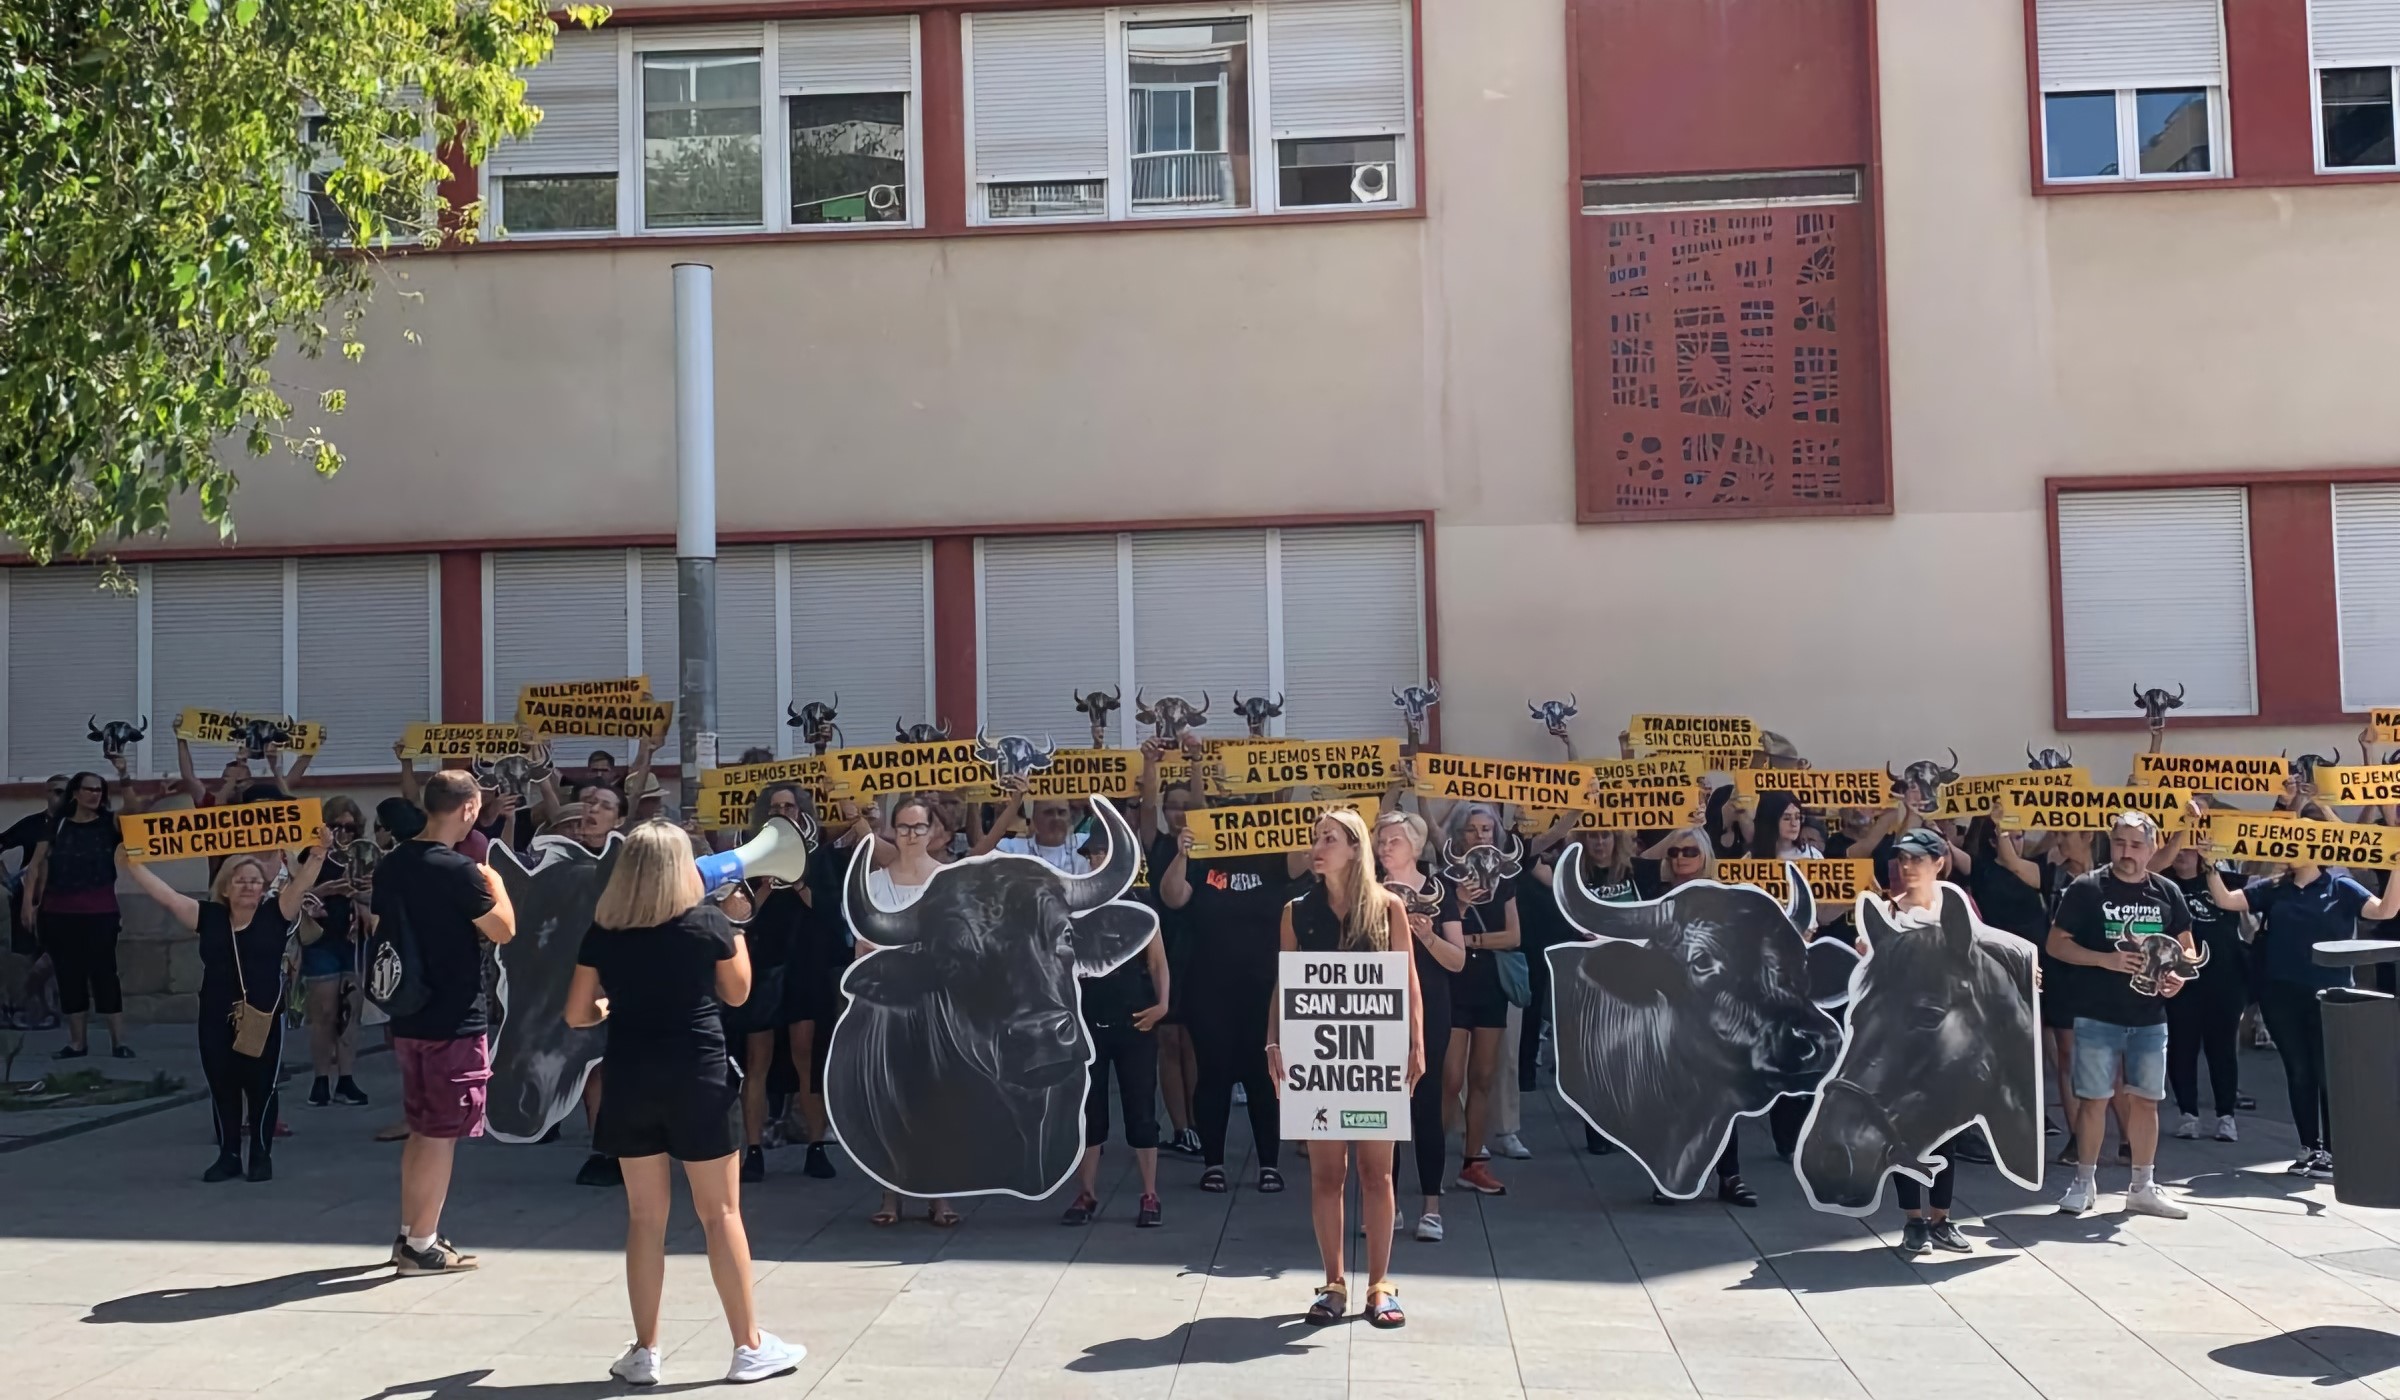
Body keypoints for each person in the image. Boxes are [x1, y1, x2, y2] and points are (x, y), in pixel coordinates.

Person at [564, 821, 801, 1386]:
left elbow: (576, 1014)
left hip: (629, 1078)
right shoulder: (707, 923)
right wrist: (737, 922)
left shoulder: (606, 928)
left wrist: (607, 1010)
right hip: (697, 1074)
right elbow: (738, 993)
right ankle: (748, 1348)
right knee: (720, 1215)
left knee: (645, 1219)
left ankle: (645, 1352)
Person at [1272, 809, 1424, 1330]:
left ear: (1355, 848)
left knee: (1376, 1173)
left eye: (1329, 839)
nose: (1318, 846)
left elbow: (1407, 981)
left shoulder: (1389, 908)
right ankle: (1333, 1282)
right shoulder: (1297, 911)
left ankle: (1380, 1285)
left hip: (1373, 1058)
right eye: (1316, 838)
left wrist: (1416, 1043)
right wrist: (1274, 1040)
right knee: (1326, 1174)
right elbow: (1284, 982)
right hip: (1319, 1061)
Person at [370, 769, 518, 1274]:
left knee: (421, 1129)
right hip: (452, 1016)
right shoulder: (460, 871)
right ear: (469, 810)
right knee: (440, 1135)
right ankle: (422, 1243)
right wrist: (496, 882)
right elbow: (503, 930)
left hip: (406, 1011)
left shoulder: (393, 864)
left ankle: (411, 1233)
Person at [123, 834, 323, 1180]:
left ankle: (260, 1155)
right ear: (225, 887)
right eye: (240, 880)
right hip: (216, 1012)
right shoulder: (209, 916)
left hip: (261, 1013)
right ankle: (228, 1154)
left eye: (254, 881)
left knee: (261, 1085)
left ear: (264, 888)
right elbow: (167, 897)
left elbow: (304, 879)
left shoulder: (276, 913)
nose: (248, 887)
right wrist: (131, 864)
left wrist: (319, 852)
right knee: (222, 1084)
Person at [2205, 849, 2400, 1179]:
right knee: (2298, 1071)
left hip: (2330, 995)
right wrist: (2209, 863)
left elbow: (2386, 909)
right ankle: (2310, 1146)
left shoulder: (2341, 885)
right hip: (2281, 994)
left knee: (2328, 1074)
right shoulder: (2275, 887)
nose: (2287, 852)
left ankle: (2336, 1152)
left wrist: (2396, 868)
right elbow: (2226, 900)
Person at [1160, 772, 1303, 1196]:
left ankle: (1269, 1165)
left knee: (1264, 1077)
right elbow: (1172, 896)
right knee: (1214, 1075)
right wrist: (1183, 853)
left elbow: (1302, 857)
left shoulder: (1275, 860)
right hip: (1211, 990)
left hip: (1264, 990)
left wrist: (1295, 800)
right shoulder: (1203, 861)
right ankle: (1214, 1163)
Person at [2048, 811, 2193, 1218]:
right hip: (2096, 1014)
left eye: (2135, 844)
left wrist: (2178, 977)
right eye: (2119, 843)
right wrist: (2103, 960)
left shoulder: (2167, 891)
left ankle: (2143, 1186)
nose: (2126, 852)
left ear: (2152, 846)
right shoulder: (2086, 888)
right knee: (2094, 1100)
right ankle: (2082, 1183)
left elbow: (2186, 947)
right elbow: (2056, 944)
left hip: (2150, 1016)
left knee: (2147, 1102)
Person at [855, 796, 961, 1228]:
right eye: (903, 827)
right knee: (892, 1102)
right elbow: (862, 945)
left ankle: (942, 1197)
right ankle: (891, 1193)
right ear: (892, 830)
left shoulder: (950, 881)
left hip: (938, 1006)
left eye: (920, 828)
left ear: (934, 831)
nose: (912, 836)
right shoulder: (874, 882)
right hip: (888, 1005)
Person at [1636, 826, 1756, 1206]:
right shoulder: (1656, 897)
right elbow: (1639, 866)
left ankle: (1730, 1175)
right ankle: (1673, 1174)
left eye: (1689, 850)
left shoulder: (1725, 898)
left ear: (1705, 855)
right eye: (1674, 853)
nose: (1681, 858)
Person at [1872, 828, 1978, 1256]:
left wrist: (2024, 973)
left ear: (1939, 862)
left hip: (1948, 1039)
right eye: (1902, 858)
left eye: (1917, 858)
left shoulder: (1959, 905)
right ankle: (1913, 1220)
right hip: (1900, 1040)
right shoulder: (1886, 910)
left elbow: (1985, 955)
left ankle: (1941, 1218)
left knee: (1945, 1133)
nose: (1907, 865)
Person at [1059, 839, 1173, 1229]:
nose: (1095, 860)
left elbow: (1158, 961)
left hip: (1136, 1017)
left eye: (1101, 854)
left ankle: (1150, 1193)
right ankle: (1086, 1193)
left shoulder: (1140, 904)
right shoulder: (1073, 906)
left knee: (1141, 1108)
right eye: (1091, 854)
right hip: (1090, 1019)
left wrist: (1162, 1005)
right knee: (1090, 1112)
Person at [1374, 811, 1464, 1242]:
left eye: (1394, 839)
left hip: (1429, 1005)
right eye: (1380, 840)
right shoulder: (1367, 890)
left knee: (1425, 1104)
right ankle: (1385, 1206)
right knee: (1384, 1109)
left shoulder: (1439, 890)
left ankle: (1432, 1207)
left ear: (1415, 844)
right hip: (1378, 1003)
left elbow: (1458, 960)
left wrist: (1427, 937)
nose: (1385, 846)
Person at [23, 771, 138, 1058]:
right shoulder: (57, 825)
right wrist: (28, 903)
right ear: (75, 793)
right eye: (88, 789)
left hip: (100, 911)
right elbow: (36, 865)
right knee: (69, 976)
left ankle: (118, 1042)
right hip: (59, 912)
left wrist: (124, 774)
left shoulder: (107, 824)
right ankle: (77, 1043)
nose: (94, 795)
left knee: (105, 975)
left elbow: (134, 811)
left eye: (99, 790)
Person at [1442, 805, 1519, 1195]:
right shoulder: (1444, 879)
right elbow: (1441, 930)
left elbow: (1513, 936)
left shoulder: (1504, 881)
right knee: (1450, 1078)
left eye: (1486, 830)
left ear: (1496, 835)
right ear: (1459, 837)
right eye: (1472, 830)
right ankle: (1433, 1160)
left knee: (1483, 1078)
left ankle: (1473, 1163)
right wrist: (1459, 904)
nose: (1480, 837)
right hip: (1454, 985)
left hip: (1490, 985)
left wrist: (1471, 940)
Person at [2160, 833, 2247, 1144]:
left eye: (2188, 847)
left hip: (2225, 979)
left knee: (2222, 1050)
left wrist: (2286, 808)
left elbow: (2264, 868)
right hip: (2181, 981)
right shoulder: (2162, 884)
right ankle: (2188, 1115)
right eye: (2176, 847)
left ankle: (2226, 1116)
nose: (2182, 853)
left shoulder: (2224, 879)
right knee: (2182, 1048)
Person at [298, 796, 372, 1107]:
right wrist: (323, 891)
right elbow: (296, 895)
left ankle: (346, 1078)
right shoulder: (312, 854)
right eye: (336, 826)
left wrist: (361, 892)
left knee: (350, 1011)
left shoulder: (364, 854)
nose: (343, 833)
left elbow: (375, 895)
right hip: (321, 940)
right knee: (324, 1013)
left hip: (353, 939)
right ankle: (320, 1079)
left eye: (350, 827)